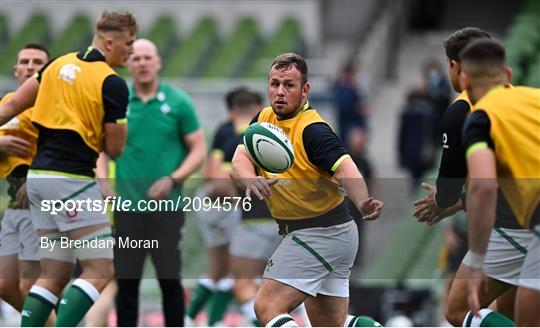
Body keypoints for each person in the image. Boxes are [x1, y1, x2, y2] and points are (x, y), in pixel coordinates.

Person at [0, 11, 138, 327]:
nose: (130, 51)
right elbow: (114, 149)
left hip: (38, 180)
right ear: (108, 41)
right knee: (101, 269)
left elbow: (8, 107)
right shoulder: (112, 83)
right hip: (72, 180)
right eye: (128, 44)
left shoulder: (55, 65)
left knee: (55, 273)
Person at [230, 53, 383, 327]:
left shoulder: (313, 130)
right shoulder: (263, 118)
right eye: (274, 83)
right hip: (333, 234)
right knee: (331, 325)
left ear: (305, 90)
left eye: (288, 85)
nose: (279, 92)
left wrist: (362, 202)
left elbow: (346, 168)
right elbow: (240, 159)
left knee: (267, 306)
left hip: (318, 232)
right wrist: (250, 179)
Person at [413, 28, 531, 327]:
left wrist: (443, 201)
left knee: (458, 309)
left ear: (456, 67)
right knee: (507, 314)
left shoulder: (465, 110)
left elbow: (456, 188)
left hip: (517, 222)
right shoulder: (524, 99)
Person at [112, 38, 205, 327]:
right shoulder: (117, 102)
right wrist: (103, 183)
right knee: (126, 284)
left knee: (170, 281)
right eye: (135, 58)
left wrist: (173, 178)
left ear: (158, 62)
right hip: (127, 210)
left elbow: (199, 148)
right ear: (127, 64)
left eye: (147, 58)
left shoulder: (178, 101)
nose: (141, 63)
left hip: (167, 210)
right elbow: (101, 147)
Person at [461, 38, 540, 327]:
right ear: (507, 76)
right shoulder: (537, 98)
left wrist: (478, 261)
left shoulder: (481, 119)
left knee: (464, 311)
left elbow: (483, 185)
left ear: (465, 81)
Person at [0, 43, 49, 314]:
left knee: (32, 287)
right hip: (14, 199)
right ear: (15, 69)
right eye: (25, 61)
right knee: (6, 286)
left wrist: (36, 178)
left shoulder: (52, 107)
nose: (30, 66)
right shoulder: (6, 104)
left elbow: (62, 150)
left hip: (41, 200)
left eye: (38, 62)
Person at [333, 62, 368, 143]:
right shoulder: (344, 89)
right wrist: (358, 108)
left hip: (352, 127)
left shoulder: (352, 88)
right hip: (349, 127)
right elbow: (343, 107)